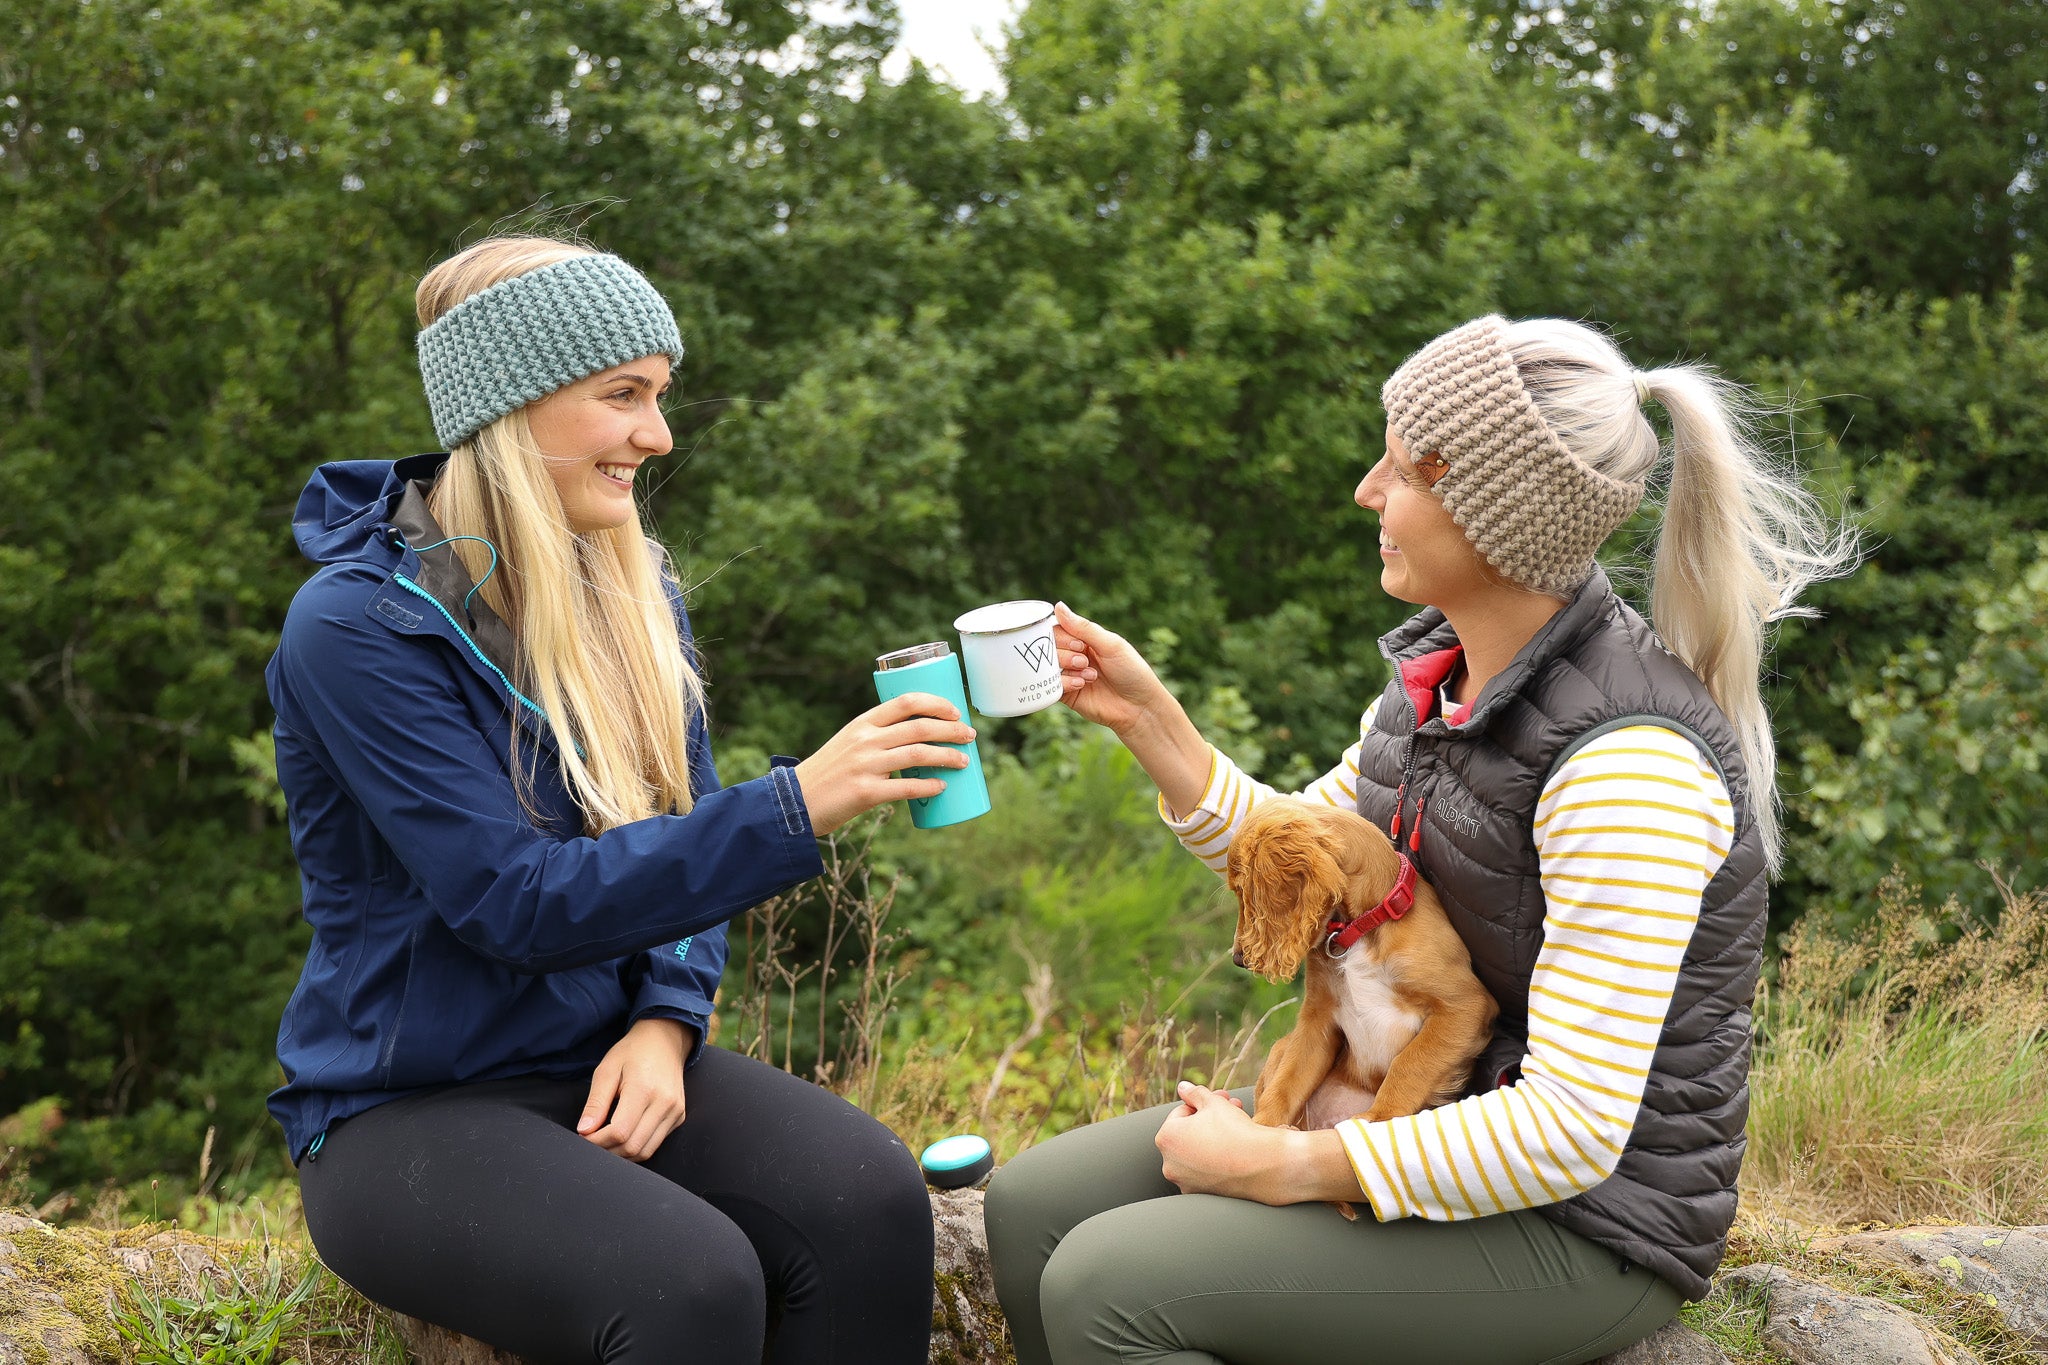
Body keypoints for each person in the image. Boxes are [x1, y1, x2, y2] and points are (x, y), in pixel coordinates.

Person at [985, 315, 1855, 1365]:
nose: (1365, 490)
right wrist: (1147, 721)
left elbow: (1570, 1130)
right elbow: (1297, 869)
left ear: (1495, 516)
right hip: (1436, 1118)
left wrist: (1288, 1164)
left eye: (1400, 470)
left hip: (1584, 1227)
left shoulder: (1627, 767)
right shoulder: (1434, 686)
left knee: (1106, 1285)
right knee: (1030, 1209)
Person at [264, 235, 971, 1363]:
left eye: (658, 394)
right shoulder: (355, 630)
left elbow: (668, 834)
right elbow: (516, 904)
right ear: (511, 406)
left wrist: (662, 1020)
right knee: (685, 1284)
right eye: (623, 396)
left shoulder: (632, 590)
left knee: (867, 1198)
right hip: (404, 1112)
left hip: (606, 1061)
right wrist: (796, 807)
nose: (658, 434)